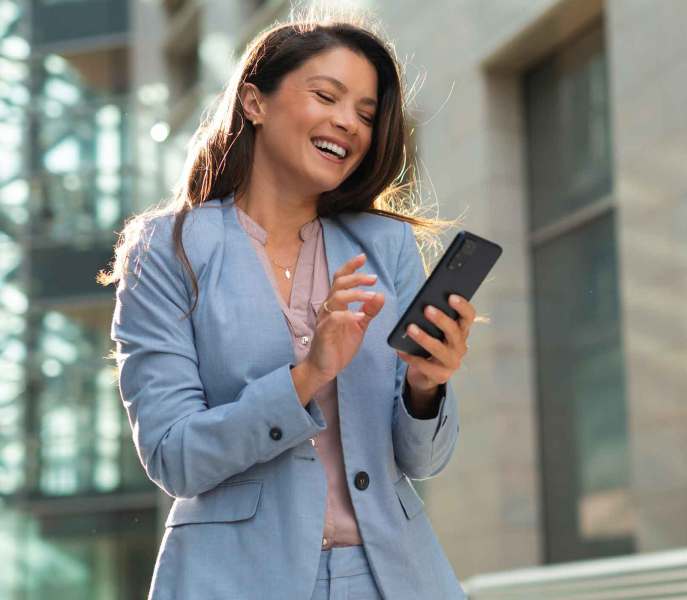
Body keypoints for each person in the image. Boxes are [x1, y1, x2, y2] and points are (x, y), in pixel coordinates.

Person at [100, 11, 475, 600]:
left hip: (391, 578)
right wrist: (308, 375)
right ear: (254, 101)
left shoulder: (385, 245)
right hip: (235, 578)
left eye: (366, 114)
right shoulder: (169, 249)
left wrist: (426, 388)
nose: (347, 122)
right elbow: (175, 457)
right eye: (326, 95)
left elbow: (421, 460)